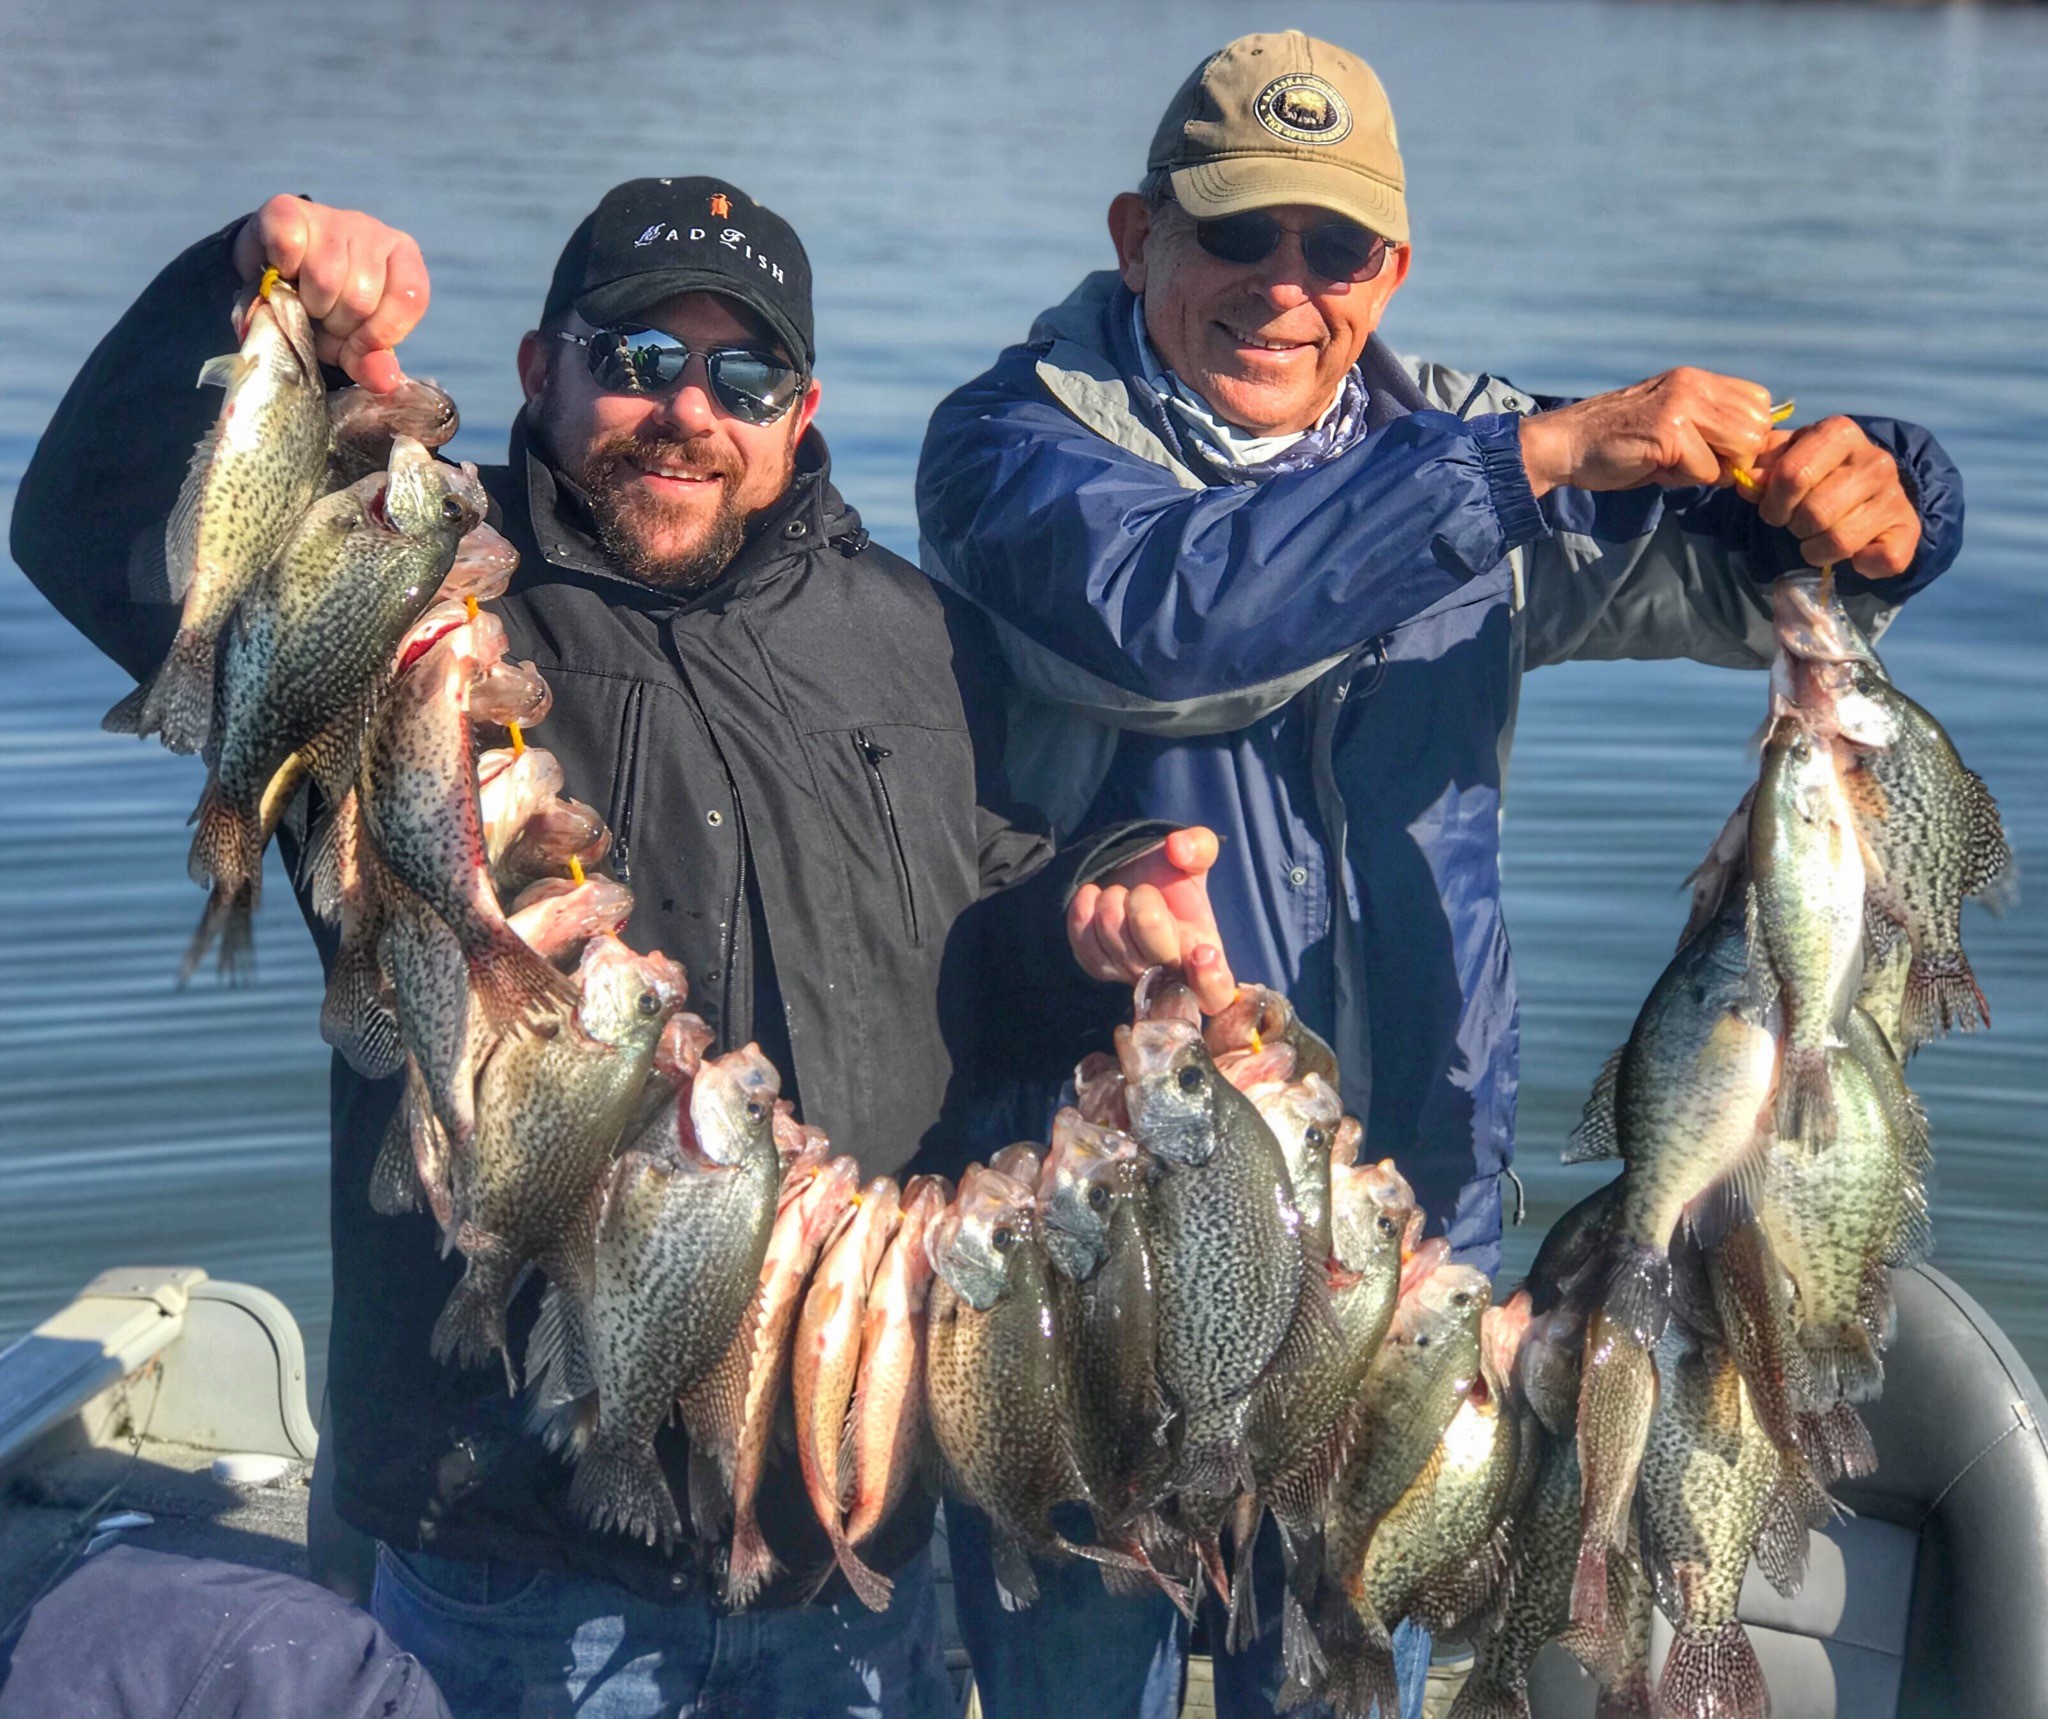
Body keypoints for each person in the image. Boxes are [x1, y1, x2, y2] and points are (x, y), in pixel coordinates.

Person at [9, 176, 1231, 1719]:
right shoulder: (399, 588)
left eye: (744, 376)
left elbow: (981, 969)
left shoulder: (921, 637)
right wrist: (243, 285)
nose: (687, 414)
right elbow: (90, 526)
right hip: (517, 1549)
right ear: (541, 371)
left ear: (802, 412)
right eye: (638, 360)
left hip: (843, 1522)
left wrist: (1095, 926)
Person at [915, 29, 1962, 1719]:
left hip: (1404, 1266)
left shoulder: (1466, 450)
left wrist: (1877, 491)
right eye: (1237, 233)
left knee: (1341, 1681)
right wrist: (1527, 462)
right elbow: (1175, 622)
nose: (1284, 289)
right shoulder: (1009, 451)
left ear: (1390, 270)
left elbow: (1722, 575)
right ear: (1137, 238)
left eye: (1335, 249)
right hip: (1101, 1256)